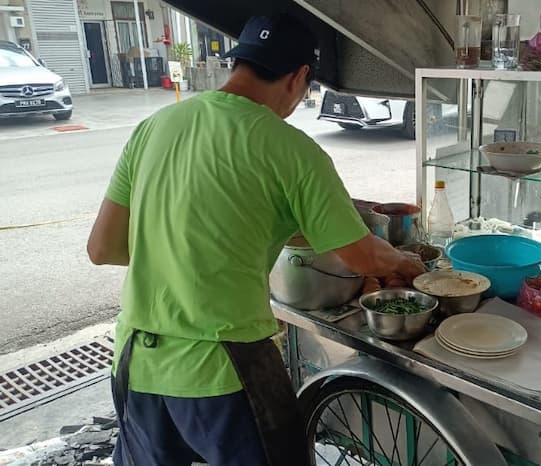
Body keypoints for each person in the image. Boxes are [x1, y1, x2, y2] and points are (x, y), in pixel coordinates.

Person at [86, 15, 425, 466]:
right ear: (301, 77)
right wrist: (405, 265)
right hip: (224, 368)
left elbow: (103, 248)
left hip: (135, 363)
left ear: (238, 62)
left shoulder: (155, 126)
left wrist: (179, 253)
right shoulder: (292, 150)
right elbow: (362, 255)